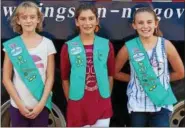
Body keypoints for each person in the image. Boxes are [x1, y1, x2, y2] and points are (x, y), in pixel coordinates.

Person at [115, 7, 184, 127]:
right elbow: (115, 72)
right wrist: (136, 80)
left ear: (156, 23)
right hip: (138, 104)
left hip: (161, 102)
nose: (145, 26)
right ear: (134, 25)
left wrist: (158, 81)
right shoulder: (128, 47)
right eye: (140, 23)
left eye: (149, 22)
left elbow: (180, 73)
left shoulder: (166, 45)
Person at [60, 2, 115, 127]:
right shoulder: (68, 46)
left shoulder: (106, 45)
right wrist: (71, 101)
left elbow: (110, 76)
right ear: (77, 22)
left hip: (101, 103)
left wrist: (106, 98)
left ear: (97, 21)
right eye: (83, 19)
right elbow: (64, 79)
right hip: (78, 105)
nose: (87, 23)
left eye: (91, 18)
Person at [2, 1, 56, 127]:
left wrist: (41, 104)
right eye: (24, 17)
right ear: (18, 20)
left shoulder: (47, 44)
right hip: (18, 106)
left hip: (41, 105)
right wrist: (20, 105)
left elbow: (50, 77)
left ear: (38, 20)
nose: (28, 21)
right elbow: (6, 78)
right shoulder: (11, 45)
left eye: (32, 17)